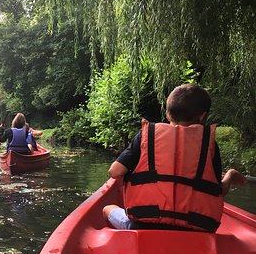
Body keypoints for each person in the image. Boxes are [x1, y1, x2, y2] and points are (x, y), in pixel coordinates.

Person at [103, 83, 247, 232]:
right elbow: (218, 191)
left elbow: (115, 172)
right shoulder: (208, 144)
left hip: (144, 226)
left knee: (108, 209)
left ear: (167, 114)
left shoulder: (147, 136)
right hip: (196, 230)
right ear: (203, 116)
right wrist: (229, 175)